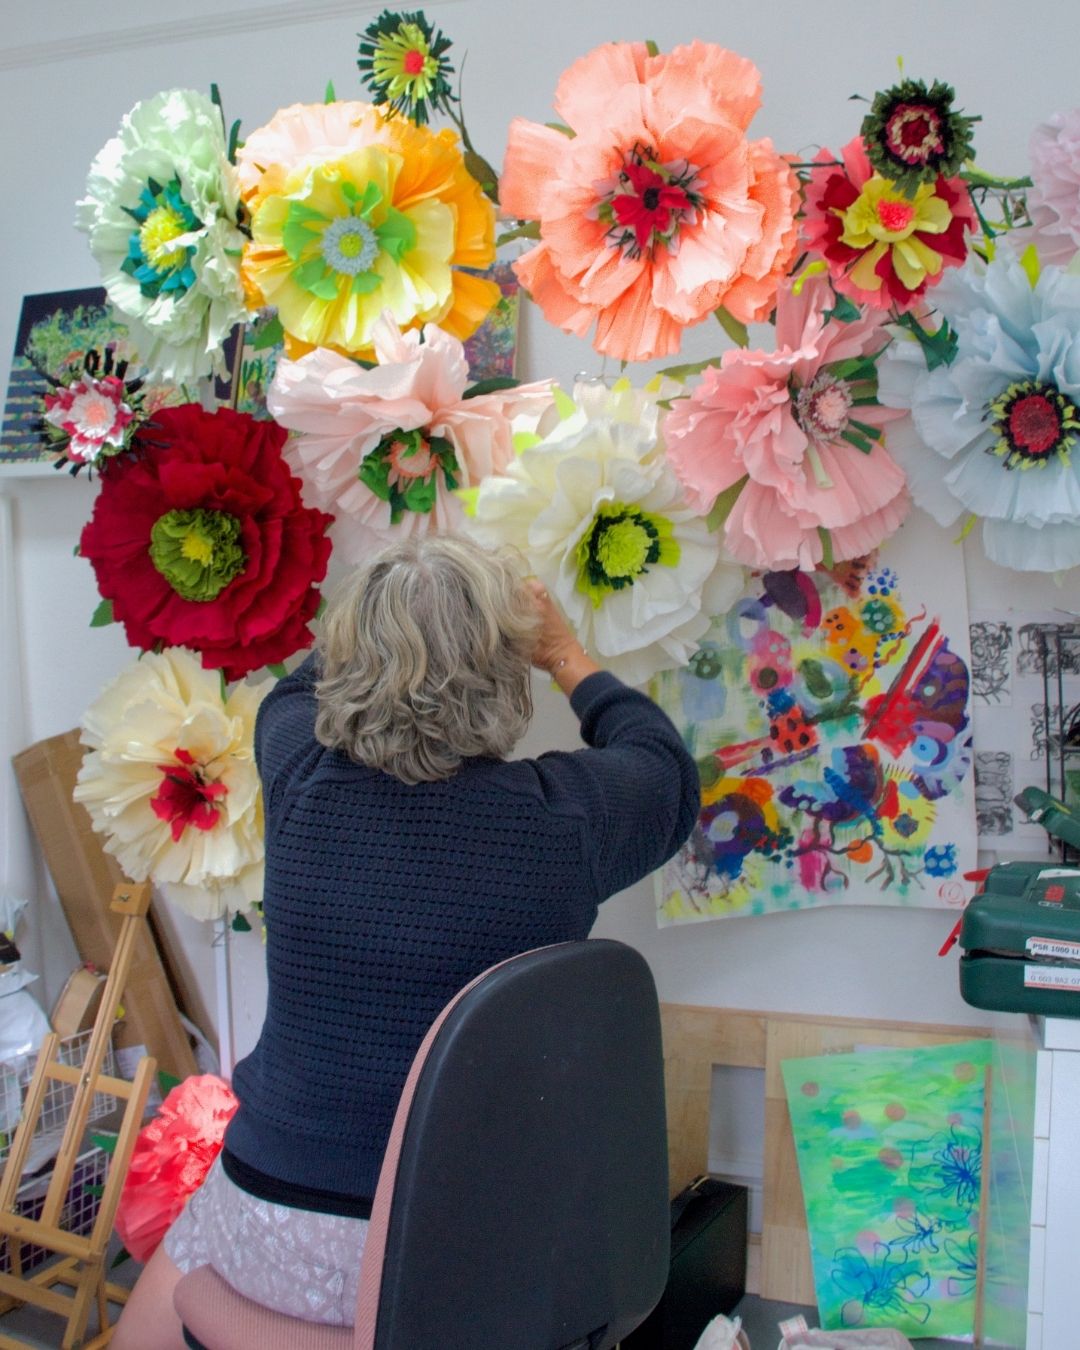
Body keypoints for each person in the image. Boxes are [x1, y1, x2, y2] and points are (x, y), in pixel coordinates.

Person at [113, 533, 700, 1349]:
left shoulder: (297, 780)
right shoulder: (564, 820)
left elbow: (297, 694)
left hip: (271, 1220)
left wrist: (389, 615)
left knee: (164, 1281)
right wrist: (564, 651)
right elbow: (664, 765)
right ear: (506, 671)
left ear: (350, 659)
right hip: (448, 1261)